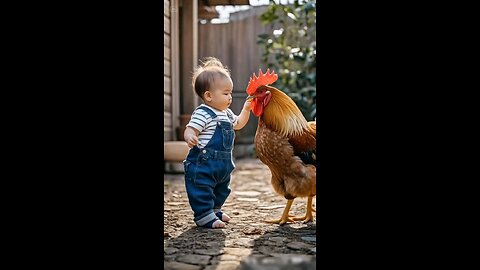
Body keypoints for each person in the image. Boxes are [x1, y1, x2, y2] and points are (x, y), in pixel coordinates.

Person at [183, 57, 252, 228]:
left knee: (222, 189)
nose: (230, 97)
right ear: (208, 96)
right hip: (204, 164)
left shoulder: (227, 114)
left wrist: (246, 109)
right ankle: (203, 215)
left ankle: (214, 209)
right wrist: (190, 135)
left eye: (230, 93)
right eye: (226, 93)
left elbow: (239, 124)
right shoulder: (203, 113)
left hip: (223, 165)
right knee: (202, 188)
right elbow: (190, 128)